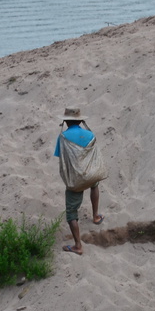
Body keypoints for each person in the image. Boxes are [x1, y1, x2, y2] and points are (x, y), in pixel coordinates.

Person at [54, 107, 104, 255]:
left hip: (76, 179)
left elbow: (60, 156)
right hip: (91, 174)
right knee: (94, 186)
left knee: (71, 213)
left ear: (66, 121)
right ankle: (95, 216)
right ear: (81, 120)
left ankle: (78, 246)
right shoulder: (90, 134)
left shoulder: (63, 137)